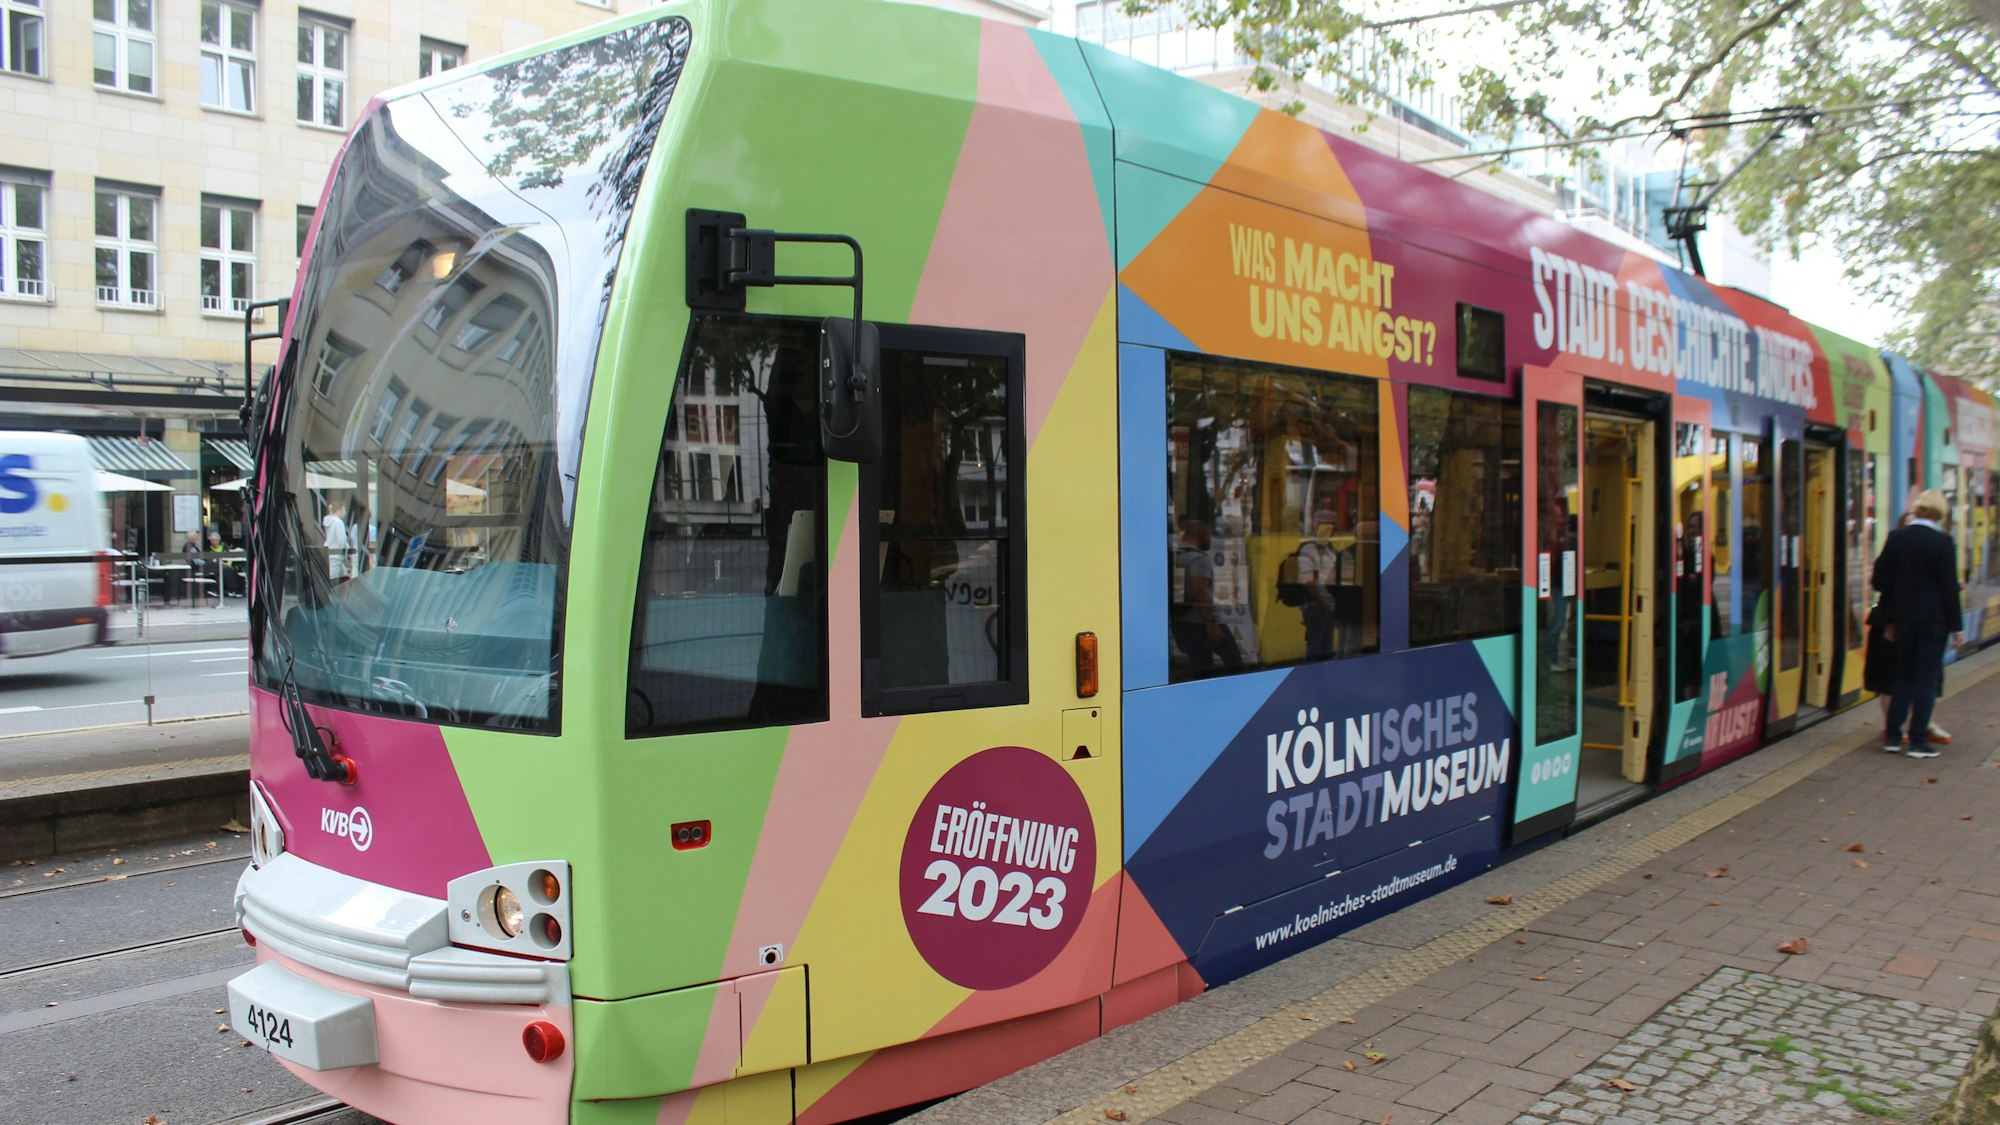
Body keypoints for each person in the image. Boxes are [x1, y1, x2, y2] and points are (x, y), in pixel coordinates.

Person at [1871, 489, 1960, 758]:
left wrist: (1890, 617)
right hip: (1934, 621)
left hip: (1903, 620)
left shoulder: (1897, 538)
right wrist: (1957, 627)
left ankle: (1894, 737)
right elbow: (1948, 588)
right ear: (1940, 514)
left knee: (1904, 675)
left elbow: (1879, 581)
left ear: (1918, 509)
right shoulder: (1943, 543)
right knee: (1926, 678)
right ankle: (1919, 741)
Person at [1170, 518, 1243, 676]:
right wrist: (1211, 623)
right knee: (1235, 662)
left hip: (1182, 621)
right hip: (1201, 623)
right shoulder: (1199, 559)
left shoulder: (1176, 556)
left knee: (1201, 666)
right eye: (1209, 536)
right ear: (1201, 535)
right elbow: (1200, 590)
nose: (1210, 539)